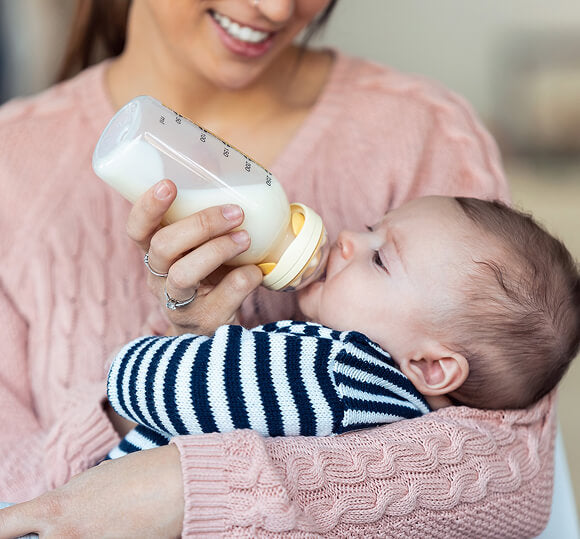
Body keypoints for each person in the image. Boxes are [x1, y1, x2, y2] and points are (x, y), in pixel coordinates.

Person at [0, 0, 559, 537]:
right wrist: (185, 340)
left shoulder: (424, 133)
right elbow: (19, 505)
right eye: (369, 230)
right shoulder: (12, 158)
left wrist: (185, 490)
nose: (272, 7)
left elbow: (514, 475)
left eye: (380, 252)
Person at [105, 195, 580, 458]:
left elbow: (144, 384)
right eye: (374, 224)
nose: (350, 237)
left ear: (432, 367)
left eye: (380, 260)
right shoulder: (391, 411)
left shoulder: (332, 371)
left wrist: (138, 359)